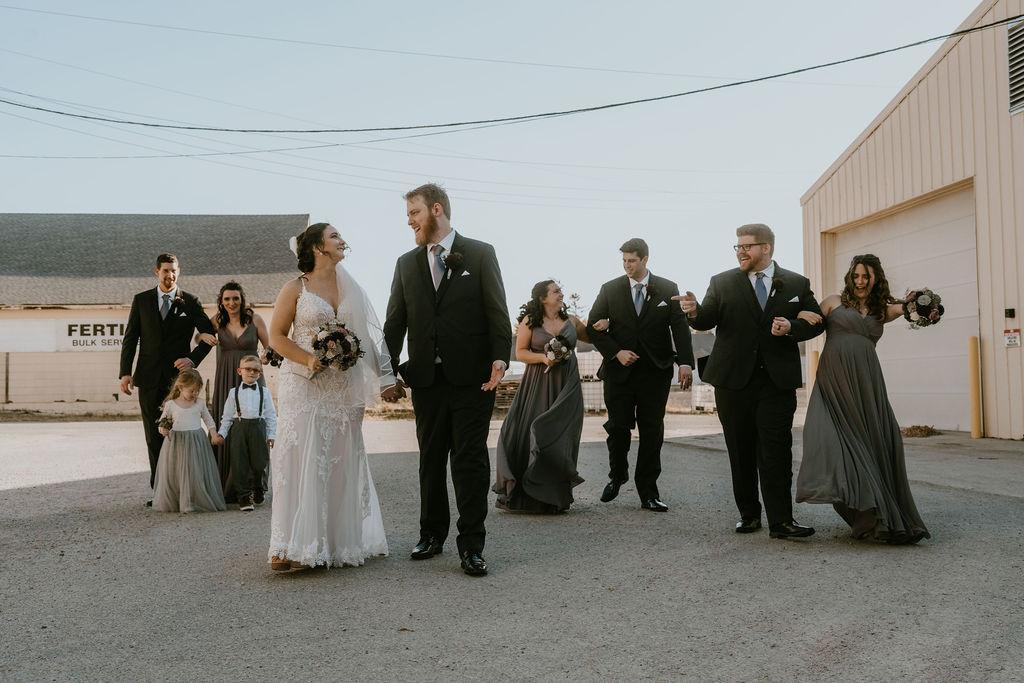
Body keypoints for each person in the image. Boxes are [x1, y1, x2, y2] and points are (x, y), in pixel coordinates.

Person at [382, 183, 512, 577]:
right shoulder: (406, 263)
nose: (409, 221)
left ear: (436, 209)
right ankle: (431, 534)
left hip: (473, 379)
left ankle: (471, 545)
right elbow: (394, 323)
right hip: (426, 379)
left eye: (414, 213)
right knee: (431, 459)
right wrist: (388, 372)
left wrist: (500, 358)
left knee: (470, 461)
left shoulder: (481, 253)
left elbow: (497, 312)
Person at [676, 223, 824, 539]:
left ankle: (781, 522)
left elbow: (815, 322)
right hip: (732, 382)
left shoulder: (796, 283)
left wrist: (793, 327)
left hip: (776, 383)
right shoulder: (722, 282)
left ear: (766, 248)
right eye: (738, 247)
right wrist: (693, 311)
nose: (740, 252)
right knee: (740, 451)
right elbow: (706, 319)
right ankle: (748, 515)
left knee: (776, 452)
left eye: (747, 246)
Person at [267, 222, 395, 571]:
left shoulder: (352, 288)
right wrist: (308, 358)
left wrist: (387, 378)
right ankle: (290, 545)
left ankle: (333, 543)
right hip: (304, 384)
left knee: (338, 460)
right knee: (300, 458)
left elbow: (368, 338)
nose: (342, 240)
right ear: (317, 247)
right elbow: (277, 336)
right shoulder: (295, 288)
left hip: (343, 389)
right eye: (335, 236)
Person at [795, 254, 930, 544]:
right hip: (833, 381)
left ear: (875, 279)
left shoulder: (883, 309)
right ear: (850, 276)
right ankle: (857, 504)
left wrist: (922, 305)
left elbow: (910, 308)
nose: (860, 281)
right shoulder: (832, 302)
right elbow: (808, 324)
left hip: (866, 383)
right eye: (856, 276)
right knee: (828, 437)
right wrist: (800, 316)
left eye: (866, 276)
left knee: (869, 443)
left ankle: (874, 516)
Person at [587, 238, 694, 512]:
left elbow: (679, 328)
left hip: (655, 373)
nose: (627, 266)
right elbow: (592, 328)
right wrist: (616, 352)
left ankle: (648, 492)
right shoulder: (610, 289)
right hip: (618, 372)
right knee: (618, 427)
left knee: (652, 432)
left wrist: (685, 363)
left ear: (645, 259)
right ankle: (617, 475)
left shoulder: (667, 288)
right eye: (624, 261)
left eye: (632, 261)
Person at [493, 280, 597, 513]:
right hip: (538, 382)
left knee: (560, 433)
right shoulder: (530, 321)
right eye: (556, 291)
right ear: (543, 298)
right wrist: (543, 358)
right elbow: (520, 352)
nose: (561, 294)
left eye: (561, 290)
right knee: (533, 429)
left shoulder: (572, 321)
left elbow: (591, 337)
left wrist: (601, 325)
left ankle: (553, 496)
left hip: (566, 384)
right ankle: (527, 494)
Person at [119, 253, 216, 502]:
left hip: (178, 382)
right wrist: (125, 372)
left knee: (179, 433)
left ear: (178, 271)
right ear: (156, 272)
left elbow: (209, 335)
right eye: (165, 270)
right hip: (148, 378)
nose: (169, 275)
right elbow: (130, 338)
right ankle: (159, 491)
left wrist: (192, 359)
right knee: (154, 436)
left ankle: (182, 489)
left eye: (174, 270)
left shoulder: (190, 302)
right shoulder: (141, 300)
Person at [196, 281, 271, 498]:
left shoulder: (255, 319)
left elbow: (269, 347)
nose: (231, 303)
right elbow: (198, 337)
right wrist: (202, 336)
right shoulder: (217, 320)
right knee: (227, 423)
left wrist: (266, 356)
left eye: (235, 298)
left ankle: (255, 485)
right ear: (221, 301)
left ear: (242, 299)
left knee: (255, 427)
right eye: (227, 299)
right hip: (226, 378)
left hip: (252, 376)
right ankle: (227, 485)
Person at [151, 368, 227, 513]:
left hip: (196, 441)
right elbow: (162, 422)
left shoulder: (199, 403)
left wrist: (214, 434)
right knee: (177, 472)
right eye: (191, 391)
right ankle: (179, 500)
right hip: (176, 442)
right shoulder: (171, 404)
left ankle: (191, 501)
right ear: (180, 387)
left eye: (197, 391)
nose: (195, 394)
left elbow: (208, 420)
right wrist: (163, 430)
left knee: (194, 471)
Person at [217, 355, 278, 512]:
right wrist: (222, 433)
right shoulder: (233, 392)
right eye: (248, 369)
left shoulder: (265, 392)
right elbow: (227, 416)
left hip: (258, 428)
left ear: (260, 373)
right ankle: (244, 496)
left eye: (256, 370)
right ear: (239, 371)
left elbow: (271, 415)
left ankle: (259, 488)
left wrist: (272, 435)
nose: (252, 372)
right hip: (239, 428)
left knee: (260, 462)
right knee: (239, 463)